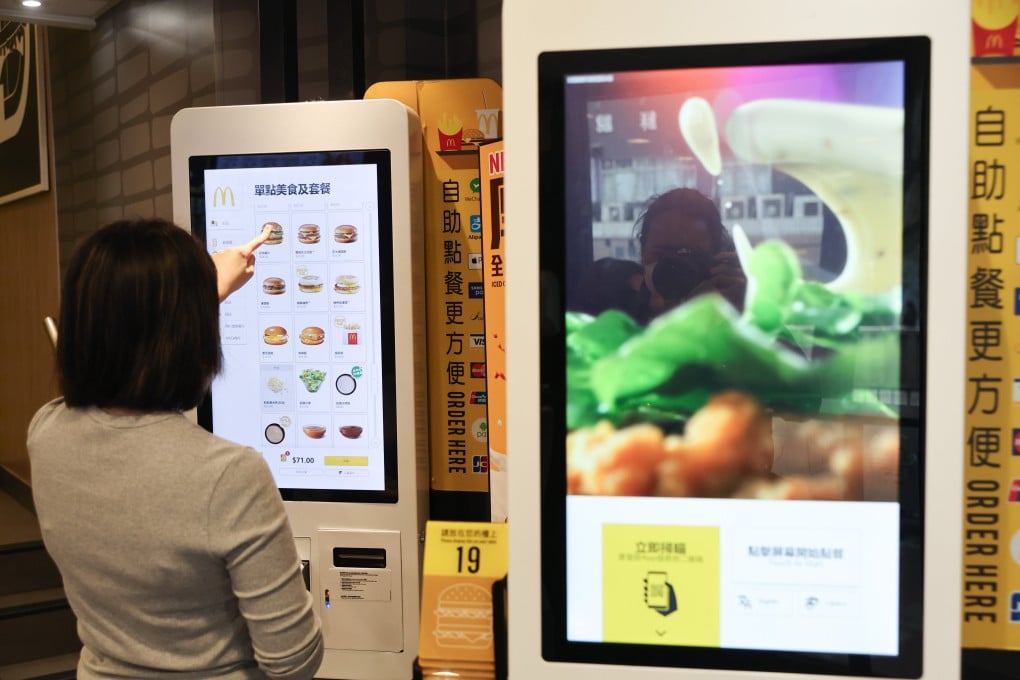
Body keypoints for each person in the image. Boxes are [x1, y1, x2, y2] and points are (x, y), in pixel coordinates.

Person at [27, 218, 324, 679]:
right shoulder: (229, 474)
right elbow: (292, 662)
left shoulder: (45, 432)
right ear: (195, 336)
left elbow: (120, 371)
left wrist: (199, 296)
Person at [635, 187, 746, 318]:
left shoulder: (732, 311)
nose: (673, 265)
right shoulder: (618, 304)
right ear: (642, 252)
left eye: (688, 253)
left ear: (716, 258)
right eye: (661, 252)